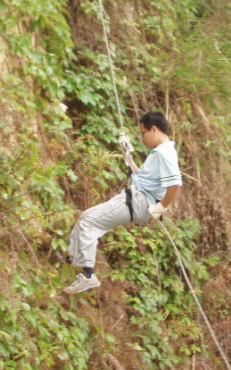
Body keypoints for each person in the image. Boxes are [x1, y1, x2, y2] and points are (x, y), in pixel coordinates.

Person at [64, 111, 182, 294]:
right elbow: (140, 176)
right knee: (85, 217)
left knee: (88, 221)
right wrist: (127, 152)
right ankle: (72, 257)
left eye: (143, 133)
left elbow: (175, 184)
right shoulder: (158, 152)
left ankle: (87, 276)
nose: (142, 138)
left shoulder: (165, 152)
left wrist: (160, 208)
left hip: (137, 201)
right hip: (135, 198)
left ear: (154, 129)